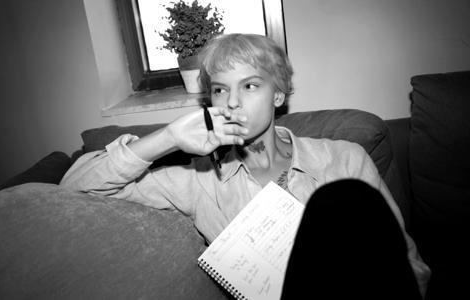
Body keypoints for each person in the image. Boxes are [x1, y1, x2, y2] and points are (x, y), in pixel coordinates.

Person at [60, 33, 430, 297]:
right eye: (221, 89)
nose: (232, 102)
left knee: (343, 199)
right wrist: (168, 138)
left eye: (250, 86)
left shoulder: (344, 158)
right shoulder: (198, 178)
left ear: (279, 94)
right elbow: (74, 187)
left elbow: (408, 267)